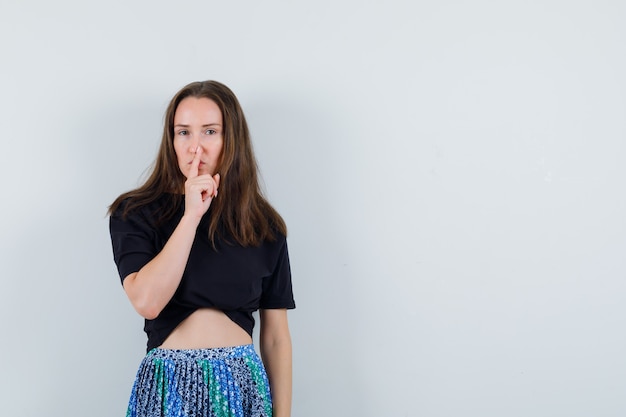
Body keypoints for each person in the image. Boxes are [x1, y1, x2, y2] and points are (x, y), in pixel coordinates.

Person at [108, 80, 295, 417]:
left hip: (241, 389)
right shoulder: (135, 213)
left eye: (210, 132)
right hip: (169, 386)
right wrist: (191, 215)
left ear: (230, 139)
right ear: (171, 140)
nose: (196, 147)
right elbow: (147, 301)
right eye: (184, 133)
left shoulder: (263, 226)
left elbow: (276, 338)